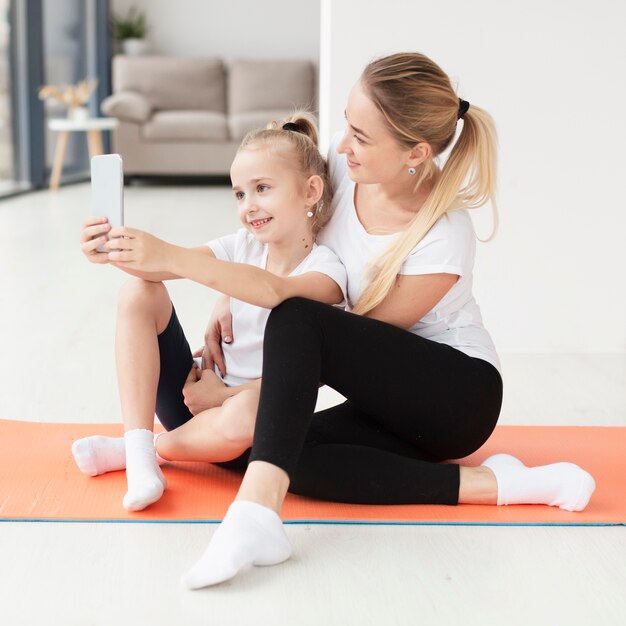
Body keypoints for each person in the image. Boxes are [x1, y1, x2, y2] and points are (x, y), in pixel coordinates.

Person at [160, 52, 595, 590]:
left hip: (455, 397)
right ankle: (495, 484)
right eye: (347, 121)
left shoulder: (443, 235)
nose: (341, 144)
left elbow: (328, 346)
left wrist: (228, 398)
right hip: (382, 400)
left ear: (414, 153)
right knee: (287, 450)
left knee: (299, 318)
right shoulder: (343, 172)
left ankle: (254, 515)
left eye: (361, 136)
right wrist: (234, 288)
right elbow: (282, 226)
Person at [72, 112, 347, 513]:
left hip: (244, 425)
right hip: (190, 395)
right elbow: (161, 267)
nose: (249, 206)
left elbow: (275, 295)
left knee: (249, 412)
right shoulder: (242, 245)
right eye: (239, 194)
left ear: (311, 191)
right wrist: (109, 250)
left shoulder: (327, 273)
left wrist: (224, 395)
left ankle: (149, 451)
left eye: (262, 188)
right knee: (138, 291)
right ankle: (137, 448)